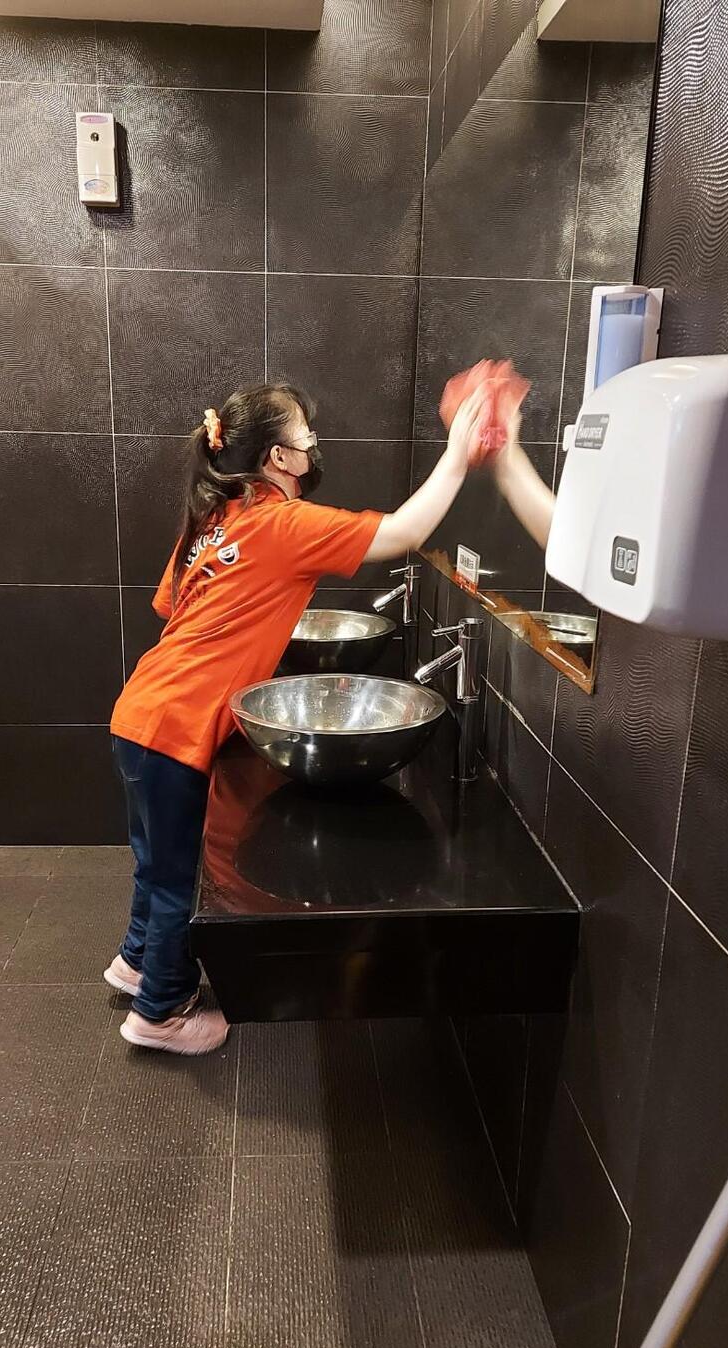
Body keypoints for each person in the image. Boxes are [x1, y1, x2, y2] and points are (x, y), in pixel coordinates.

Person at [105, 378, 502, 1056]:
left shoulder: (214, 518)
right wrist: (458, 453)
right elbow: (405, 531)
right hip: (178, 726)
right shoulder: (284, 524)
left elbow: (172, 606)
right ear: (279, 458)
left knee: (155, 860)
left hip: (140, 710)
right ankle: (160, 1012)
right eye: (305, 435)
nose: (314, 445)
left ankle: (136, 961)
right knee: (177, 877)